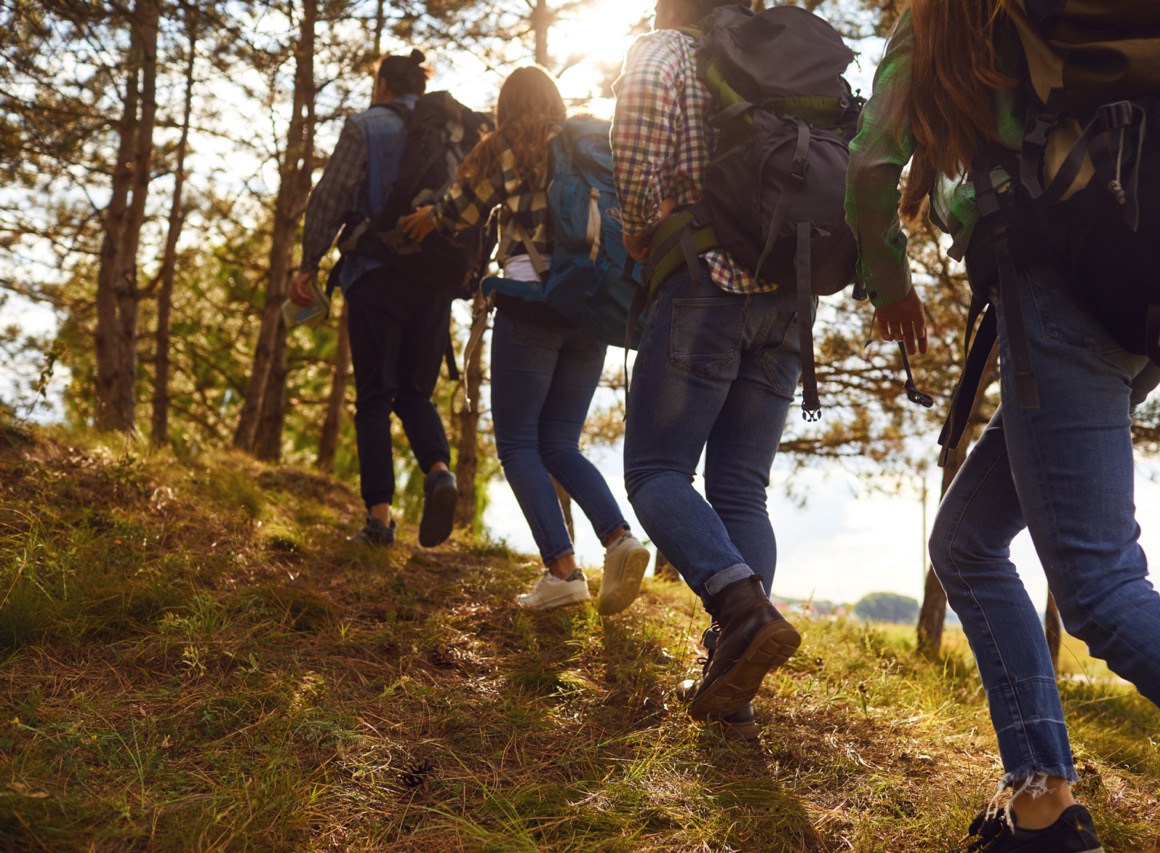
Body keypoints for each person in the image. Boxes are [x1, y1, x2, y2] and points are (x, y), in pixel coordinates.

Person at [845, 1, 1160, 849]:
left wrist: (886, 278)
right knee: (966, 541)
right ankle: (1041, 796)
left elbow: (870, 164)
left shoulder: (945, 13)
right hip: (1150, 286)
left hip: (1059, 284)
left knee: (1102, 590)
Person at [612, 0, 805, 739]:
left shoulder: (663, 51)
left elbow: (634, 139)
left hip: (704, 281)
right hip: (788, 300)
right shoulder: (778, 58)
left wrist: (637, 225)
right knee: (739, 489)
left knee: (655, 471)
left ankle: (740, 607)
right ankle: (735, 682)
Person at [401, 66, 651, 614]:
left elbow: (457, 212)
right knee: (560, 443)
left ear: (507, 103)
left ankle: (562, 572)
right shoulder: (586, 145)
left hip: (530, 305)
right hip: (588, 308)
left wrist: (429, 216)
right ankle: (620, 540)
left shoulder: (504, 143)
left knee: (517, 443)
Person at [289, 49, 459, 549]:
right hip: (433, 281)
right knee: (414, 394)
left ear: (383, 83)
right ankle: (440, 471)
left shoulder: (366, 126)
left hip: (376, 273)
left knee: (374, 399)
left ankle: (380, 521)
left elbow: (331, 197)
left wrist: (308, 262)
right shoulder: (450, 134)